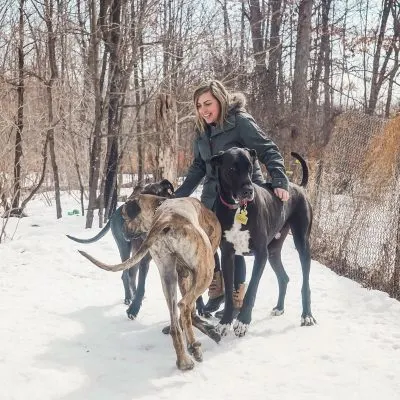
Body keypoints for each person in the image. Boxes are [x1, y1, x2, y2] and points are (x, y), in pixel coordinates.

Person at [174, 80, 290, 317]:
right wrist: (177, 196)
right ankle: (217, 291)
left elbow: (268, 149)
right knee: (211, 244)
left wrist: (279, 179)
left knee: (235, 246)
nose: (203, 109)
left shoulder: (240, 122)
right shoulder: (202, 129)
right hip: (214, 197)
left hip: (244, 195)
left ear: (221, 100)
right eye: (198, 105)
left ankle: (237, 297)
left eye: (208, 103)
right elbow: (198, 166)